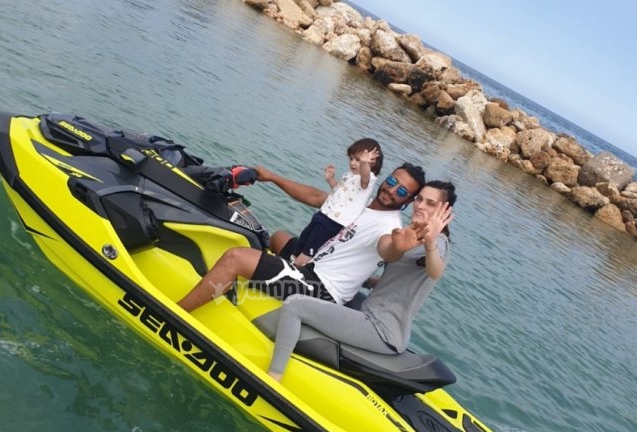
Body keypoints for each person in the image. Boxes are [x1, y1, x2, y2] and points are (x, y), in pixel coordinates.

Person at [267, 180, 457, 382]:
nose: (420, 205)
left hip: (381, 328)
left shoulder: (438, 242)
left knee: (295, 306)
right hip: (371, 311)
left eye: (430, 203)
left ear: (444, 212)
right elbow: (397, 281)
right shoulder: (413, 234)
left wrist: (430, 243)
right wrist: (365, 280)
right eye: (419, 199)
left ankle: (273, 378)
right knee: (334, 290)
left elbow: (435, 271)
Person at [176, 163, 427, 313]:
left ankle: (177, 313)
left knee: (235, 258)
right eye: (392, 181)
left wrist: (397, 248)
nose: (392, 190)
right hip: (315, 266)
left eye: (401, 191)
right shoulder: (365, 203)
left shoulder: (390, 226)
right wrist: (271, 177)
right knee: (278, 238)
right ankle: (254, 282)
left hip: (321, 289)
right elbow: (316, 197)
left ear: (408, 200)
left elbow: (387, 248)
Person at [288, 138, 383, 266]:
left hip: (334, 222)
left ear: (372, 163)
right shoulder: (349, 175)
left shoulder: (367, 180)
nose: (353, 163)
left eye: (358, 160)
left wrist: (364, 163)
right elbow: (340, 192)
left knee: (310, 247)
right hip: (324, 213)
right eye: (351, 158)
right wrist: (331, 179)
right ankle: (292, 260)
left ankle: (296, 267)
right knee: (304, 237)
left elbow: (365, 174)